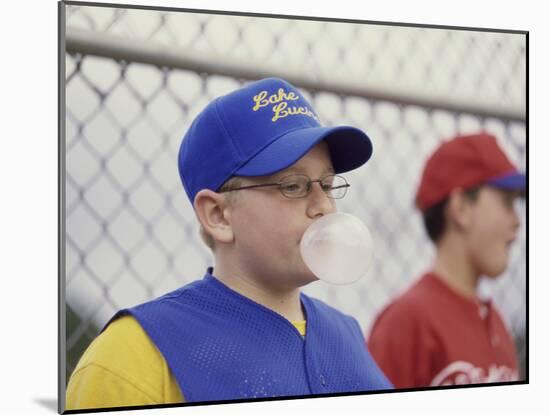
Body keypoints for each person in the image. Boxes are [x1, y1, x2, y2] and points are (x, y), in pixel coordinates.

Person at [66, 77, 392, 410]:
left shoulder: (348, 336)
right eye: (294, 186)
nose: (323, 205)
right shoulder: (135, 354)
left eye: (327, 183)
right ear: (219, 215)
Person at [367, 132, 525, 388]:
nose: (517, 221)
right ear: (460, 208)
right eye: (506, 202)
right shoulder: (407, 322)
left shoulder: (495, 321)